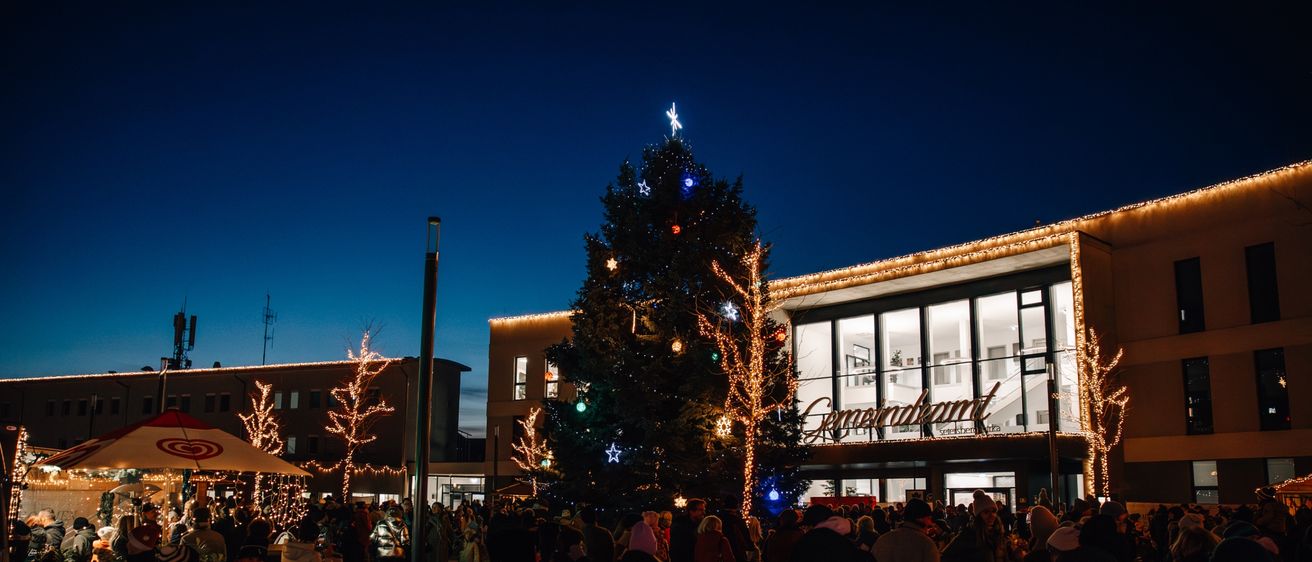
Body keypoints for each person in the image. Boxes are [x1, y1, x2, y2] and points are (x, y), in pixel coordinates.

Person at [790, 505, 865, 562]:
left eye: (806, 526)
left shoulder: (806, 544)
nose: (804, 529)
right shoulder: (846, 541)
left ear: (812, 525)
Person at [873, 498, 940, 562]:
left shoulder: (883, 539)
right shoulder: (926, 544)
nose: (931, 522)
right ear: (920, 519)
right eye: (929, 518)